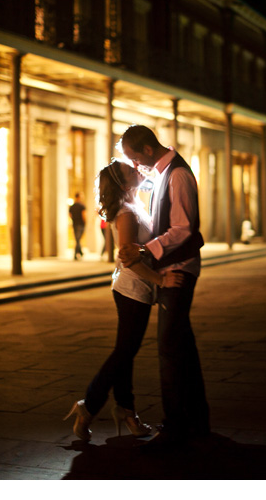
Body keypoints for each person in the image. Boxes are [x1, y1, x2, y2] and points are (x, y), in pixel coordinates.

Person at [63, 160, 184, 442]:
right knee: (124, 353)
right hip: (132, 289)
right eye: (131, 171)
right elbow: (127, 259)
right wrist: (161, 281)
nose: (138, 172)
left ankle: (126, 410)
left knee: (125, 352)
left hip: (134, 289)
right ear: (122, 183)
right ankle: (89, 405)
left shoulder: (136, 206)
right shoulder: (127, 214)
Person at [117, 125, 210, 450]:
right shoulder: (164, 173)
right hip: (172, 267)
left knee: (169, 347)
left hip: (179, 269)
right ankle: (197, 420)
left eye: (133, 157)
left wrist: (146, 250)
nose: (135, 165)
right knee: (182, 345)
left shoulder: (178, 175)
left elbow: (183, 228)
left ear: (146, 149)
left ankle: (175, 425)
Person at [69, 193, 86, 260]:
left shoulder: (72, 206)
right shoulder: (82, 206)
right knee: (78, 239)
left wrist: (73, 220)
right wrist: (85, 222)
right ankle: (79, 253)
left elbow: (70, 215)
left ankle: (79, 252)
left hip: (75, 224)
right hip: (81, 224)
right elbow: (84, 215)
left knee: (77, 239)